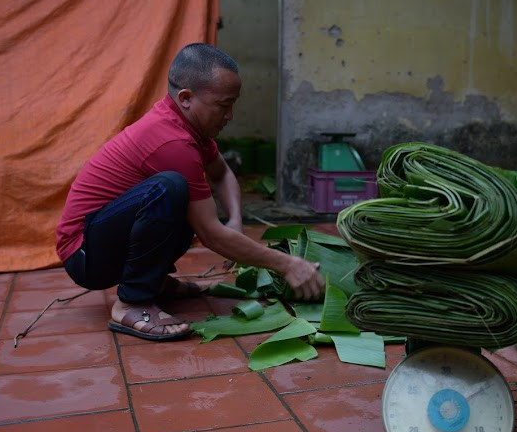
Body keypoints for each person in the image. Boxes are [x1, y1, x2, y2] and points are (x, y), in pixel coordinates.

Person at [55, 43, 325, 341]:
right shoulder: (172, 142)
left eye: (233, 104)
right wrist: (288, 264)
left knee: (186, 200)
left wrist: (235, 219)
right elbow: (211, 235)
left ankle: (154, 282)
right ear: (185, 98)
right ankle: (131, 301)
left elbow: (222, 174)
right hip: (84, 254)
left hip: (106, 240)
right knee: (170, 188)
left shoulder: (190, 129)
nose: (230, 115)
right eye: (223, 105)